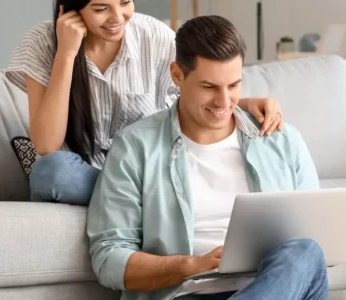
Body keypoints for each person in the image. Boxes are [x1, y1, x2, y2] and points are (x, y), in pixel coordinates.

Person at [86, 15, 327, 300]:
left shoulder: (281, 139)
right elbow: (108, 259)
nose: (224, 102)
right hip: (184, 293)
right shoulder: (135, 146)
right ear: (177, 75)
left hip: (270, 288)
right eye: (209, 87)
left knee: (307, 252)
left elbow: (317, 237)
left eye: (234, 85)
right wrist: (191, 265)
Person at [6, 0, 287, 205]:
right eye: (101, 8)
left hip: (141, 170)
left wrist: (242, 102)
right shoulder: (42, 42)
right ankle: (149, 201)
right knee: (54, 173)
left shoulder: (155, 36)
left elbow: (190, 94)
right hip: (84, 177)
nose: (118, 17)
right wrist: (66, 53)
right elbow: (45, 144)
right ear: (71, 10)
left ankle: (140, 200)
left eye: (125, 2)